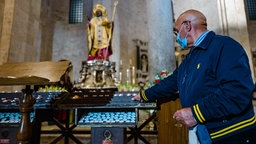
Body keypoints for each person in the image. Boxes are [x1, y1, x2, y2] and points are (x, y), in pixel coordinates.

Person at [132, 9, 256, 144]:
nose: (176, 36)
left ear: (187, 26)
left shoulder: (224, 45)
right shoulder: (193, 55)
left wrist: (196, 113)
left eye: (176, 31)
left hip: (230, 133)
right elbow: (173, 81)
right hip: (205, 131)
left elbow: (236, 92)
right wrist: (145, 95)